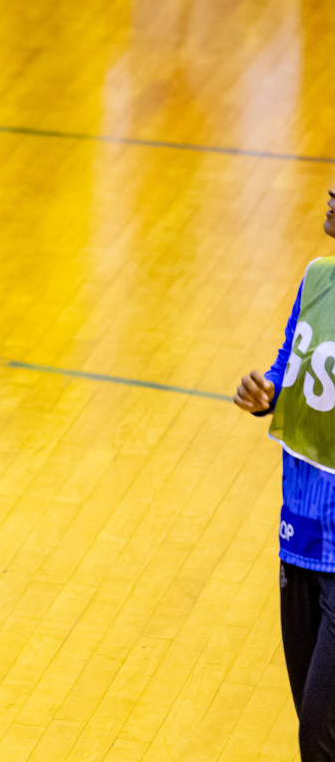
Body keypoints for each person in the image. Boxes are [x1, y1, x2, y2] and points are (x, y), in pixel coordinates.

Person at [233, 186, 335, 762]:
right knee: (314, 725)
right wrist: (264, 392)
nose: (331, 192)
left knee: (319, 740)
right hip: (298, 538)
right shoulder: (317, 276)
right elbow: (286, 370)